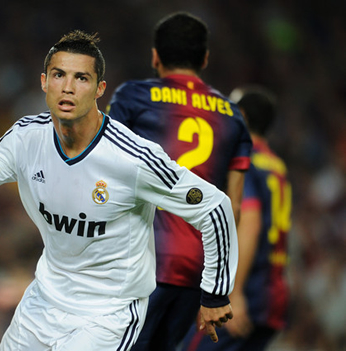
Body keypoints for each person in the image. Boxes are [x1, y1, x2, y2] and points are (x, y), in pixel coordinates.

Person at [0, 30, 237, 351]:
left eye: (81, 78)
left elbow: (214, 207)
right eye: (59, 75)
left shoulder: (132, 159)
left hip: (108, 314)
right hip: (44, 300)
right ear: (44, 82)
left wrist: (215, 293)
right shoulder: (26, 139)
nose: (68, 87)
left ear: (99, 89)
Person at [107, 12, 252, 350]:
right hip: (196, 271)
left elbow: (107, 170)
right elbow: (233, 209)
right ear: (204, 58)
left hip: (139, 261)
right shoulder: (233, 117)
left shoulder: (132, 98)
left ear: (155, 55)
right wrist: (216, 288)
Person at [181, 85, 292, 351]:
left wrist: (233, 292)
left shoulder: (247, 161)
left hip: (247, 290)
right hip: (273, 293)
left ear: (240, 114)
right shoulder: (276, 165)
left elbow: (250, 222)